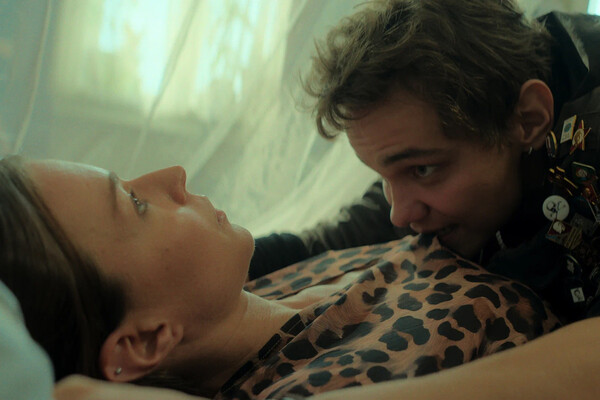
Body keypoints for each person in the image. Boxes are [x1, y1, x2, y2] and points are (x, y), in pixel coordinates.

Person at [248, 0, 600, 398]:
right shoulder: (437, 137)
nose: (400, 214)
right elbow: (342, 236)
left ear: (528, 121)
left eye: (422, 170)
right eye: (383, 175)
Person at [0, 154, 560, 400]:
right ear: (146, 340)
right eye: (135, 204)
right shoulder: (321, 386)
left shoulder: (257, 287)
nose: (173, 174)